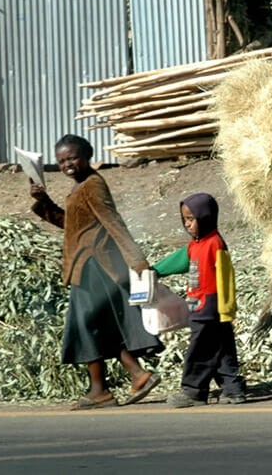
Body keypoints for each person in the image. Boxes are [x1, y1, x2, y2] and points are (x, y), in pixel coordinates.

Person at [29, 134, 163, 410]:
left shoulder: (92, 184)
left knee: (88, 326)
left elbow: (113, 221)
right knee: (96, 327)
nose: (67, 164)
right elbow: (72, 224)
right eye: (61, 161)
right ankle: (130, 377)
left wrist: (138, 262)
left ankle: (107, 387)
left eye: (72, 158)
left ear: (87, 156)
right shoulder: (80, 187)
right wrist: (44, 202)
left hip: (95, 266)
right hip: (85, 267)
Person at [152, 193, 247, 407]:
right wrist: (155, 270)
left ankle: (193, 391)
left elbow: (226, 277)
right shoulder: (195, 245)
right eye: (184, 219)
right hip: (201, 304)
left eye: (191, 219)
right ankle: (233, 389)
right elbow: (179, 260)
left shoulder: (215, 244)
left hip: (210, 304)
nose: (187, 224)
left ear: (205, 217)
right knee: (221, 347)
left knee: (200, 349)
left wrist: (226, 307)